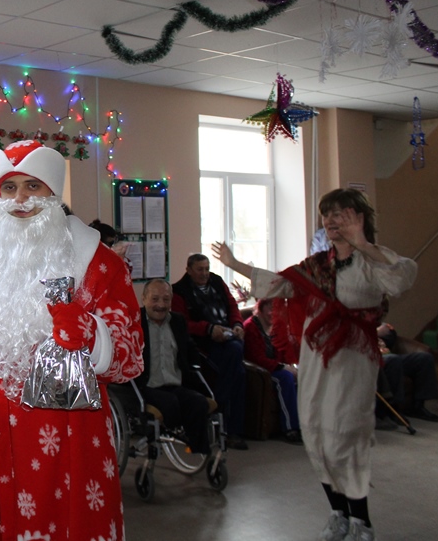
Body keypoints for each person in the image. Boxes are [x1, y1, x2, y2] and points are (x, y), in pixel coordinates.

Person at [0, 140, 143, 541]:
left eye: (33, 186)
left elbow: (130, 356)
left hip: (73, 429)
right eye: (9, 189)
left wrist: (91, 333)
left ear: (53, 191)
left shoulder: (99, 261)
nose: (21, 200)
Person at [213, 188, 417, 541]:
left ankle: (361, 522)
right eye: (328, 214)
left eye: (341, 213)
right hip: (315, 358)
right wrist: (233, 264)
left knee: (345, 435)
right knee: (316, 433)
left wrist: (364, 244)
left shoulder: (374, 260)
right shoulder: (317, 266)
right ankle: (339, 514)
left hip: (352, 359)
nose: (332, 220)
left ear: (360, 217)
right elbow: (277, 283)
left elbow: (401, 278)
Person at [171, 253, 249, 449]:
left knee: (236, 359)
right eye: (200, 270)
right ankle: (230, 427)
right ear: (188, 270)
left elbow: (232, 306)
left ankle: (223, 417)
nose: (205, 274)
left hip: (228, 339)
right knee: (237, 369)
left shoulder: (218, 282)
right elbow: (182, 323)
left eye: (207, 269)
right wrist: (208, 329)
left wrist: (238, 324)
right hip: (202, 346)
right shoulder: (179, 291)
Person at [137, 279, 212, 455]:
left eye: (166, 299)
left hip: (174, 384)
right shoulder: (134, 322)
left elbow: (190, 349)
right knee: (170, 404)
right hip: (146, 385)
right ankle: (173, 435)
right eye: (155, 299)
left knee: (199, 402)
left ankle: (200, 452)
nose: (161, 305)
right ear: (144, 299)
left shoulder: (177, 321)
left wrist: (197, 366)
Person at [244, 298, 302, 443]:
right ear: (261, 308)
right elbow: (255, 357)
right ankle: (290, 428)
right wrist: (282, 367)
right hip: (261, 372)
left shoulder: (278, 326)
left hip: (276, 366)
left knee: (300, 377)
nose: (273, 313)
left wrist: (292, 367)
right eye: (270, 308)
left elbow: (284, 352)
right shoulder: (250, 327)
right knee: (286, 378)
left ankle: (305, 426)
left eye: (276, 309)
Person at [376, 322, 438, 423]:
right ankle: (394, 409)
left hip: (386, 354)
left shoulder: (373, 319)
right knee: (393, 360)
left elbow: (391, 340)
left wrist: (388, 333)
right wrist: (377, 333)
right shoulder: (349, 318)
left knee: (424, 358)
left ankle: (418, 406)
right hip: (373, 358)